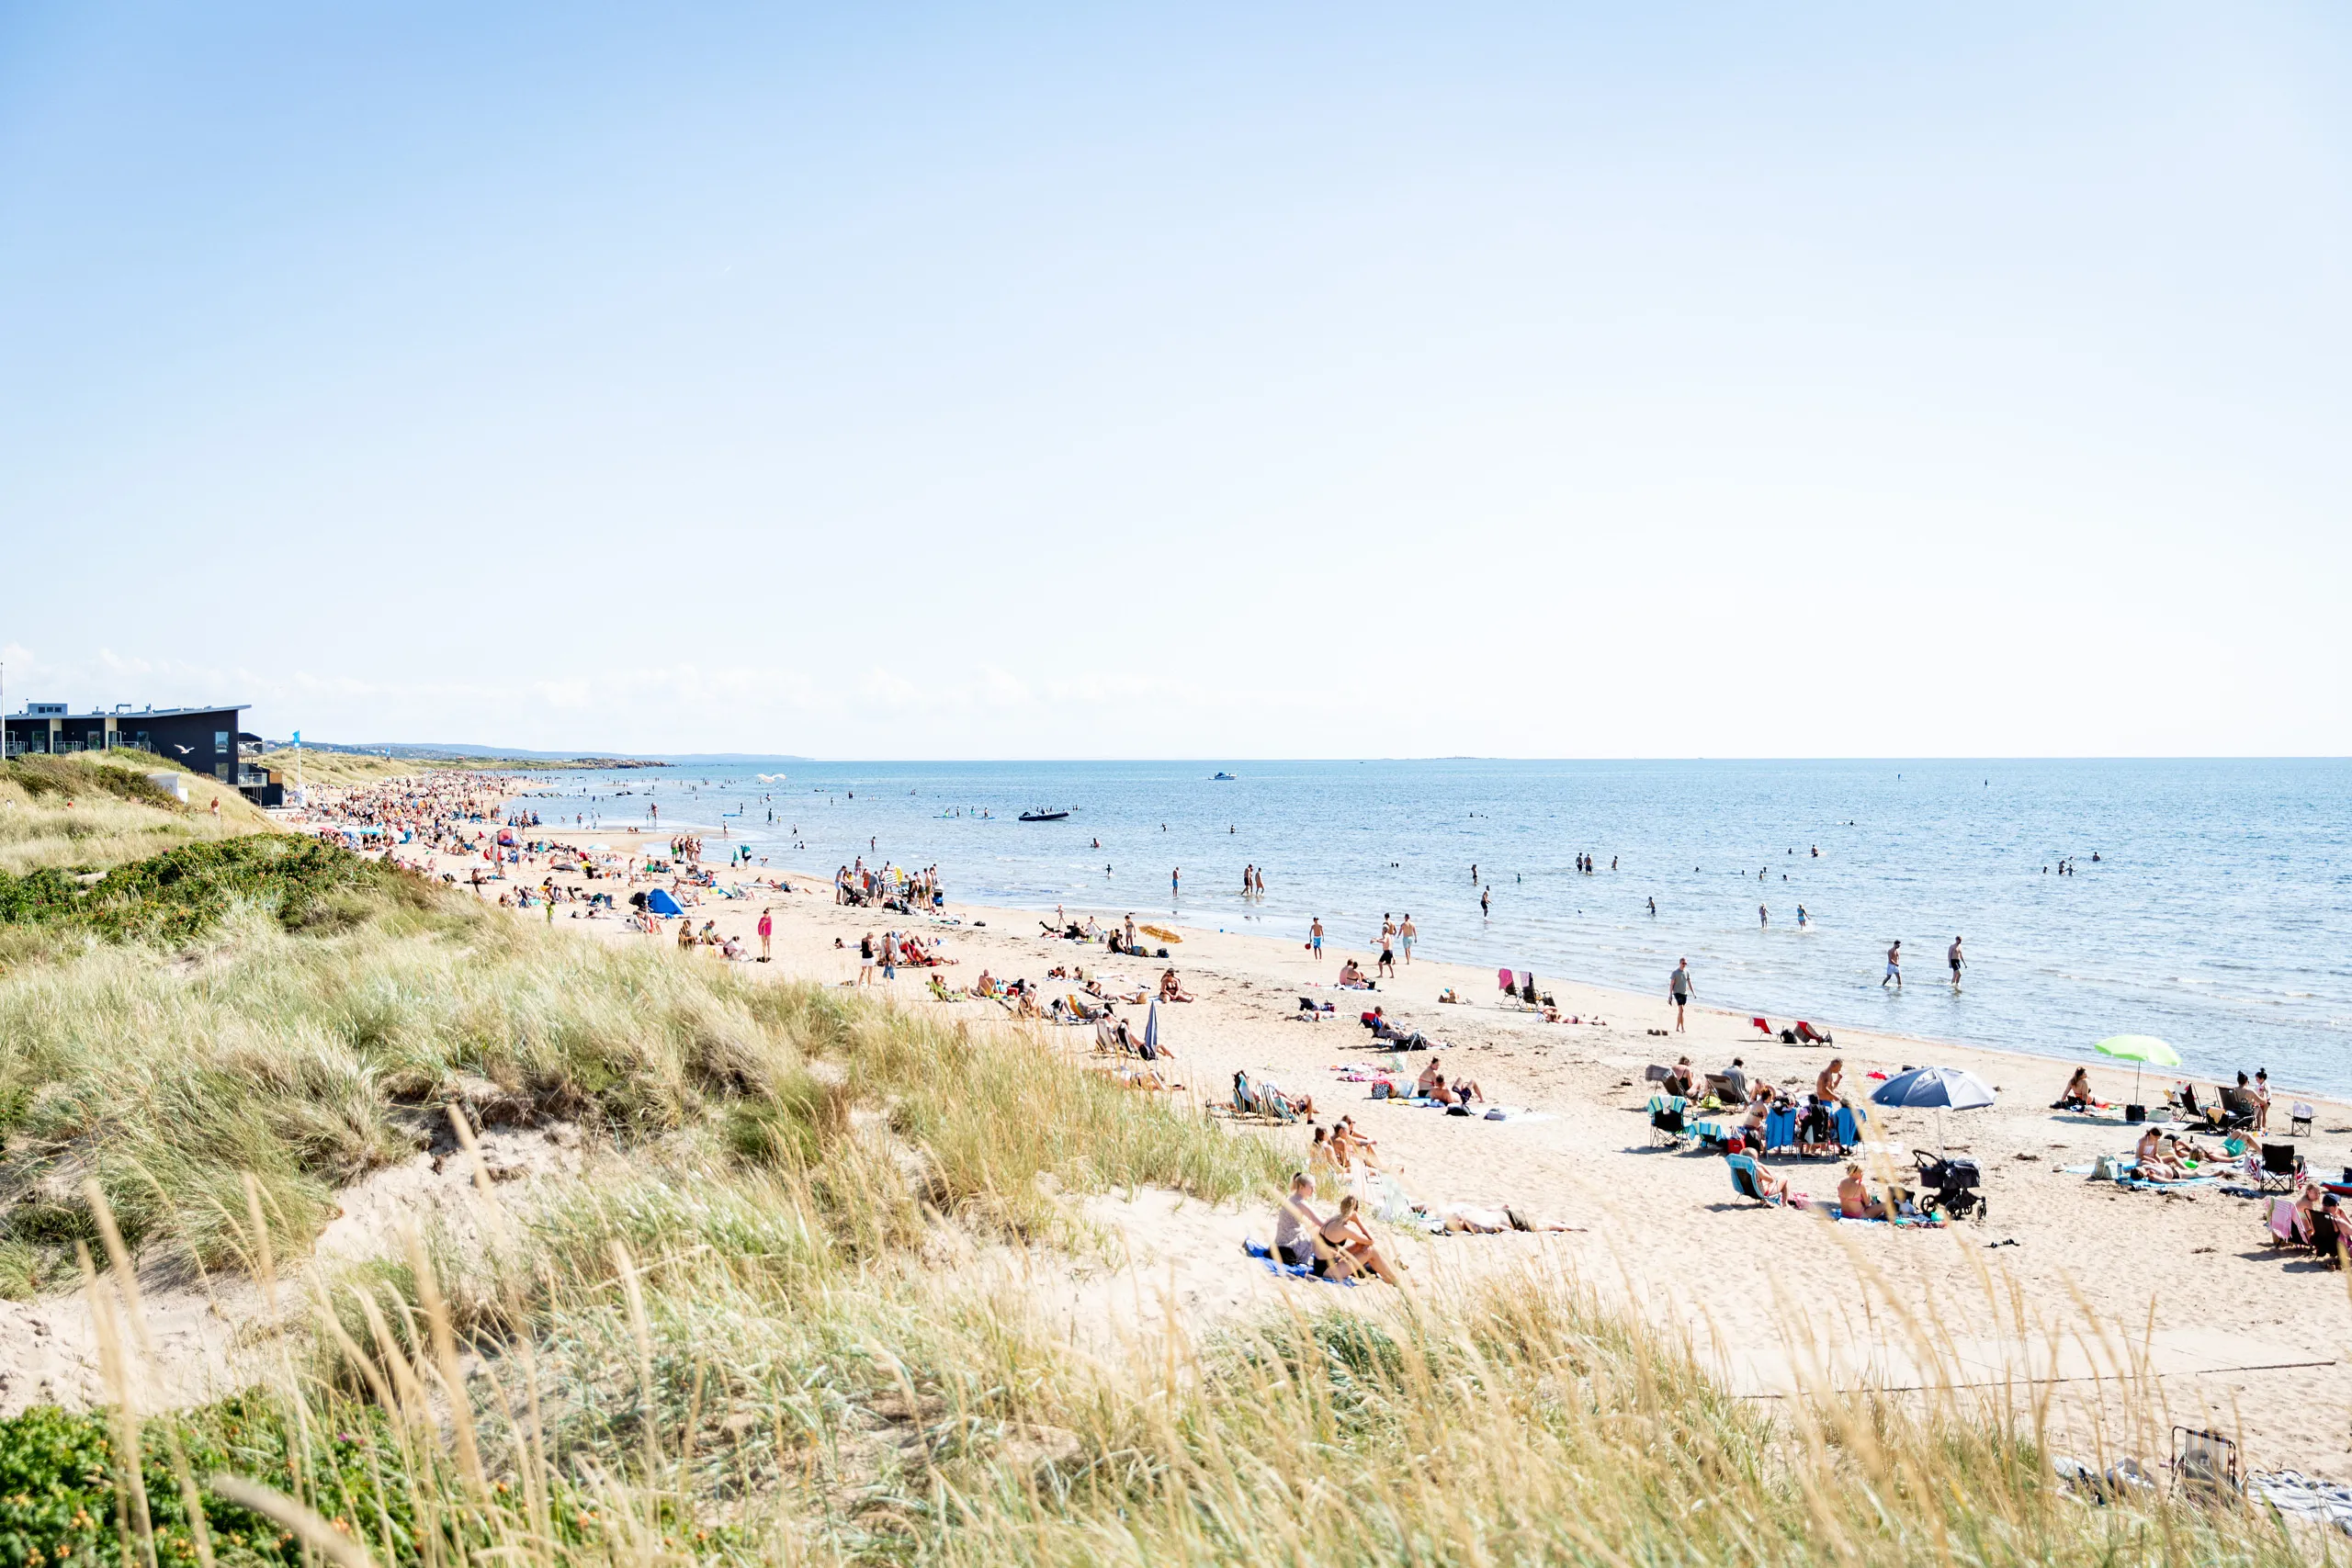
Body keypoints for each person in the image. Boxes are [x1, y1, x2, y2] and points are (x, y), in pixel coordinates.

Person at [1669, 959, 1692, 1032]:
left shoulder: (1687, 972)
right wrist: (1670, 995)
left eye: (1685, 963)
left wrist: (1693, 992)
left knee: (1680, 1011)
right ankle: (1682, 1028)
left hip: (1684, 993)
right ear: (1680, 963)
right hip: (1677, 992)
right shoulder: (1675, 972)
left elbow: (1689, 983)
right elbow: (1671, 984)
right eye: (1683, 963)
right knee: (1681, 1009)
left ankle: (1677, 1028)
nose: (1684, 964)